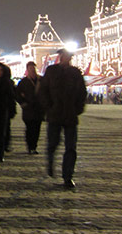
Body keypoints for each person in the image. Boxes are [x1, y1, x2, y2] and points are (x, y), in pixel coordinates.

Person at [37, 49, 87, 189]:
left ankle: (68, 176)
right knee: (53, 143)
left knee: (71, 147)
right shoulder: (51, 71)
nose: (66, 59)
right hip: (55, 114)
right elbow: (43, 90)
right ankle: (50, 161)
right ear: (60, 57)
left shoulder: (75, 73)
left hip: (70, 115)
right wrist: (49, 107)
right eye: (64, 56)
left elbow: (82, 92)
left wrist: (78, 109)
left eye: (68, 57)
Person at [17, 61, 45, 155]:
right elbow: (17, 94)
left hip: (39, 110)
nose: (32, 70)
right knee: (29, 128)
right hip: (28, 109)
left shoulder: (41, 80)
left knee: (37, 129)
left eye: (33, 68)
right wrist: (22, 103)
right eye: (30, 69)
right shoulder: (23, 82)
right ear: (27, 70)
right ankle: (30, 146)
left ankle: (34, 147)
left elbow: (47, 92)